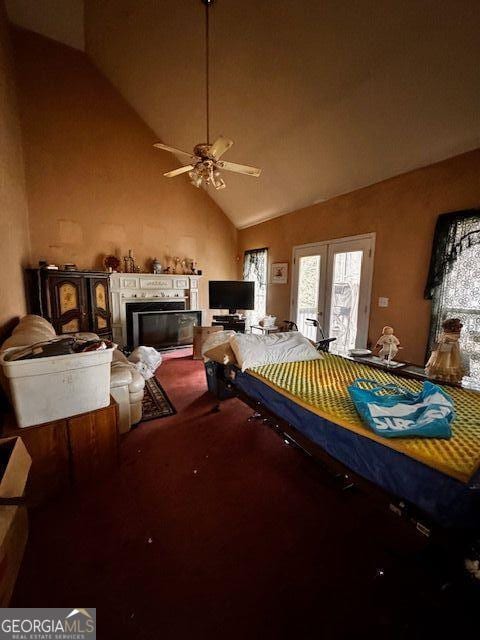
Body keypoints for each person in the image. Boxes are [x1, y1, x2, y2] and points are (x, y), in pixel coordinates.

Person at [426, 317, 464, 382]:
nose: (459, 329)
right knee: (444, 363)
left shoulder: (446, 336)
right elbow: (437, 348)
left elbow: (435, 347)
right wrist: (434, 350)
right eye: (458, 327)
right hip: (444, 355)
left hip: (451, 354)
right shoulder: (446, 337)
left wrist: (434, 349)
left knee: (450, 363)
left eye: (459, 327)